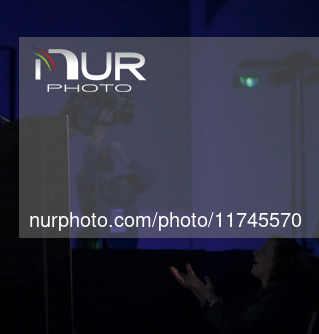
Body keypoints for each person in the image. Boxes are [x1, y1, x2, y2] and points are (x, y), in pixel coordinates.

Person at [61, 91, 154, 249]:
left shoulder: (124, 185)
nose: (104, 157)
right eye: (101, 156)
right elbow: (90, 160)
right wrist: (100, 128)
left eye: (106, 156)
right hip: (96, 250)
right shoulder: (88, 185)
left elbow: (148, 178)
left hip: (124, 250)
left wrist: (121, 156)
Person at [169, 237, 316, 333]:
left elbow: (236, 328)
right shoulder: (265, 292)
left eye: (264, 250)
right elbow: (228, 314)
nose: (255, 253)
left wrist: (207, 295)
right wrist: (198, 288)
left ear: (279, 261)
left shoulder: (279, 296)